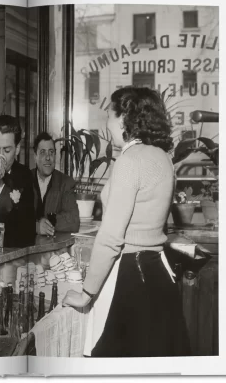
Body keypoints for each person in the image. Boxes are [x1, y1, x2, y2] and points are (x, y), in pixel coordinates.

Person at [63, 86, 190, 357]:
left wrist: (86, 293)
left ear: (123, 119)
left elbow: (111, 236)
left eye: (110, 114)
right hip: (157, 272)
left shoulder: (129, 161)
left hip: (131, 275)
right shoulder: (163, 158)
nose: (107, 123)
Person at [0, 115, 36, 248]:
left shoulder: (24, 177)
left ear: (17, 149)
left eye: (7, 150)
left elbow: (27, 233)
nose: (0, 155)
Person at [32, 132, 80, 235]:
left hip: (54, 248)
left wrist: (46, 223)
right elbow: (14, 218)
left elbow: (73, 221)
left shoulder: (66, 183)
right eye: (43, 152)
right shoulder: (25, 179)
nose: (48, 157)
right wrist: (35, 226)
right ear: (35, 156)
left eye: (51, 152)